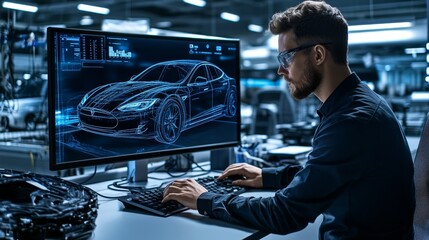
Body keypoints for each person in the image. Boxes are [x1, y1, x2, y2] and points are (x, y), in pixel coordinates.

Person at [162, 1, 415, 239]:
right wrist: (267, 175)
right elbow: (322, 174)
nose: (280, 70)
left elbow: (285, 213)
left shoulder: (351, 121)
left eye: (286, 58)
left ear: (318, 55)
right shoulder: (358, 105)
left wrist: (205, 199)